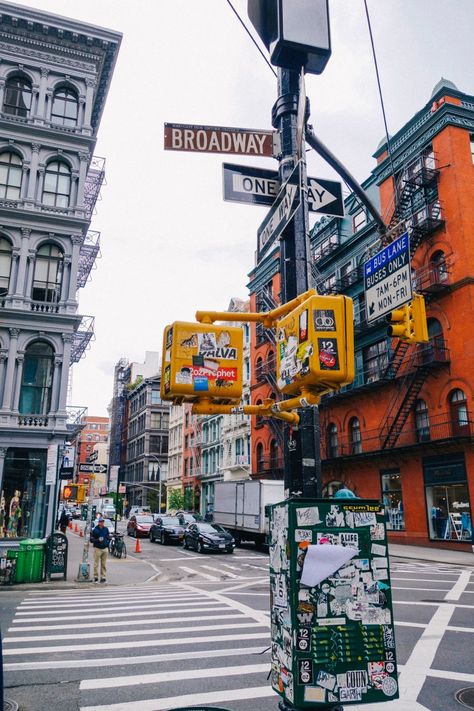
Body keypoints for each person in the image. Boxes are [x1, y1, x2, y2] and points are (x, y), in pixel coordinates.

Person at [90, 517, 110, 583]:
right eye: (101, 522)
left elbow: (107, 537)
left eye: (103, 522)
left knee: (103, 564)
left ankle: (103, 577)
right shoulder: (95, 530)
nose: (102, 523)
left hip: (105, 548)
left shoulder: (106, 529)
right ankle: (95, 577)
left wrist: (108, 542)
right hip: (97, 548)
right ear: (98, 523)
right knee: (96, 564)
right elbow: (91, 540)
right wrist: (98, 540)